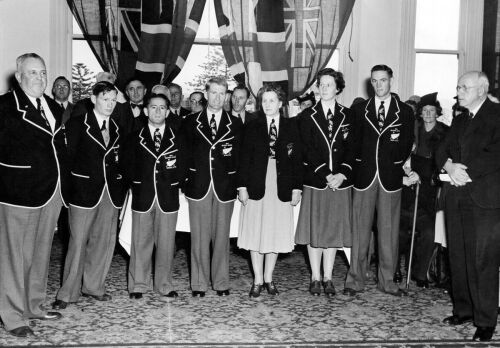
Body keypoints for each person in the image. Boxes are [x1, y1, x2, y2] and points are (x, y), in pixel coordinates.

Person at [0, 53, 66, 337]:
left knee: (40, 252)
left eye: (43, 73)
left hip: (51, 191)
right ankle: (12, 315)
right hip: (18, 191)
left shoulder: (52, 105)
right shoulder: (5, 106)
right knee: (14, 256)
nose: (40, 78)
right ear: (18, 77)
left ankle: (34, 305)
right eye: (33, 73)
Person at [436, 71, 500, 342]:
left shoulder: (497, 115)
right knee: (458, 257)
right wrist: (449, 165)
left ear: (482, 90)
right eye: (458, 86)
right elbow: (441, 149)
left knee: (483, 261)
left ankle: (485, 320)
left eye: (464, 87)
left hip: (485, 199)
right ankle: (463, 310)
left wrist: (465, 171)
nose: (459, 91)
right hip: (457, 197)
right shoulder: (460, 120)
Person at [52, 81, 126, 310]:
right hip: (82, 193)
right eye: (105, 99)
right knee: (77, 242)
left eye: (113, 100)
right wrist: (67, 191)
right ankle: (67, 293)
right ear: (93, 99)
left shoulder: (117, 127)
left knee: (104, 242)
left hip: (109, 194)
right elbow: (65, 159)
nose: (110, 104)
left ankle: (94, 286)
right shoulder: (76, 124)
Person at [344, 64, 414, 297]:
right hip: (364, 178)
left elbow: (406, 145)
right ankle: (355, 280)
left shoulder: (404, 111)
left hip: (390, 178)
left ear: (391, 80)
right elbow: (352, 143)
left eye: (383, 80)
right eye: (374, 81)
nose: (378, 85)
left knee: (389, 232)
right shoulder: (359, 110)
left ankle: (388, 281)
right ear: (370, 83)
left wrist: (394, 165)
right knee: (360, 231)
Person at [180, 77, 243, 297]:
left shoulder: (234, 124)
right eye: (213, 92)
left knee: (222, 237)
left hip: (225, 187)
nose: (217, 97)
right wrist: (184, 181)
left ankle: (221, 282)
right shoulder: (190, 122)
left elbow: (238, 159)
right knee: (198, 237)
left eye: (221, 93)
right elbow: (183, 154)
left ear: (226, 95)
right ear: (206, 94)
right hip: (198, 185)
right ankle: (198, 283)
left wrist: (238, 184)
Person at [237, 84, 302, 297]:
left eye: (272, 100)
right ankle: (256, 279)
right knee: (256, 231)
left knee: (274, 232)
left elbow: (297, 161)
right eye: (264, 100)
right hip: (257, 183)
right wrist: (242, 186)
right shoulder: (252, 126)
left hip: (281, 185)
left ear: (281, 103)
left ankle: (269, 278)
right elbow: (243, 158)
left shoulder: (291, 126)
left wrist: (296, 188)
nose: (267, 104)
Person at [295, 68, 354, 297]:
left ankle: (328, 277)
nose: (325, 88)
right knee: (315, 230)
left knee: (332, 231)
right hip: (316, 181)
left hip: (340, 183)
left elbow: (353, 150)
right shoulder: (306, 117)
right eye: (322, 84)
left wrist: (341, 174)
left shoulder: (349, 116)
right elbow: (306, 149)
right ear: (317, 88)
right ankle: (315, 277)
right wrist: (326, 174)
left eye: (330, 84)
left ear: (338, 88)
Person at [121, 93, 185, 299]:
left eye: (162, 108)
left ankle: (164, 285)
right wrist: (136, 184)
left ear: (167, 111)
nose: (158, 111)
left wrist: (176, 183)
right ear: (146, 111)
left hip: (168, 197)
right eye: (153, 107)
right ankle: (138, 285)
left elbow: (184, 166)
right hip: (143, 195)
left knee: (166, 243)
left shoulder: (178, 138)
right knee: (140, 242)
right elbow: (126, 166)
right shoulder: (133, 138)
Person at [398, 93, 448, 288]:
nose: (428, 114)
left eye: (431, 111)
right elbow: (402, 153)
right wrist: (407, 169)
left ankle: (420, 273)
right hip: (408, 187)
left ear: (437, 113)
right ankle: (395, 269)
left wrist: (424, 176)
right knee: (400, 231)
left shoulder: (444, 132)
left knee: (428, 232)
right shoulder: (413, 129)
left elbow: (444, 161)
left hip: (429, 190)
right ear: (420, 113)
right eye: (424, 111)